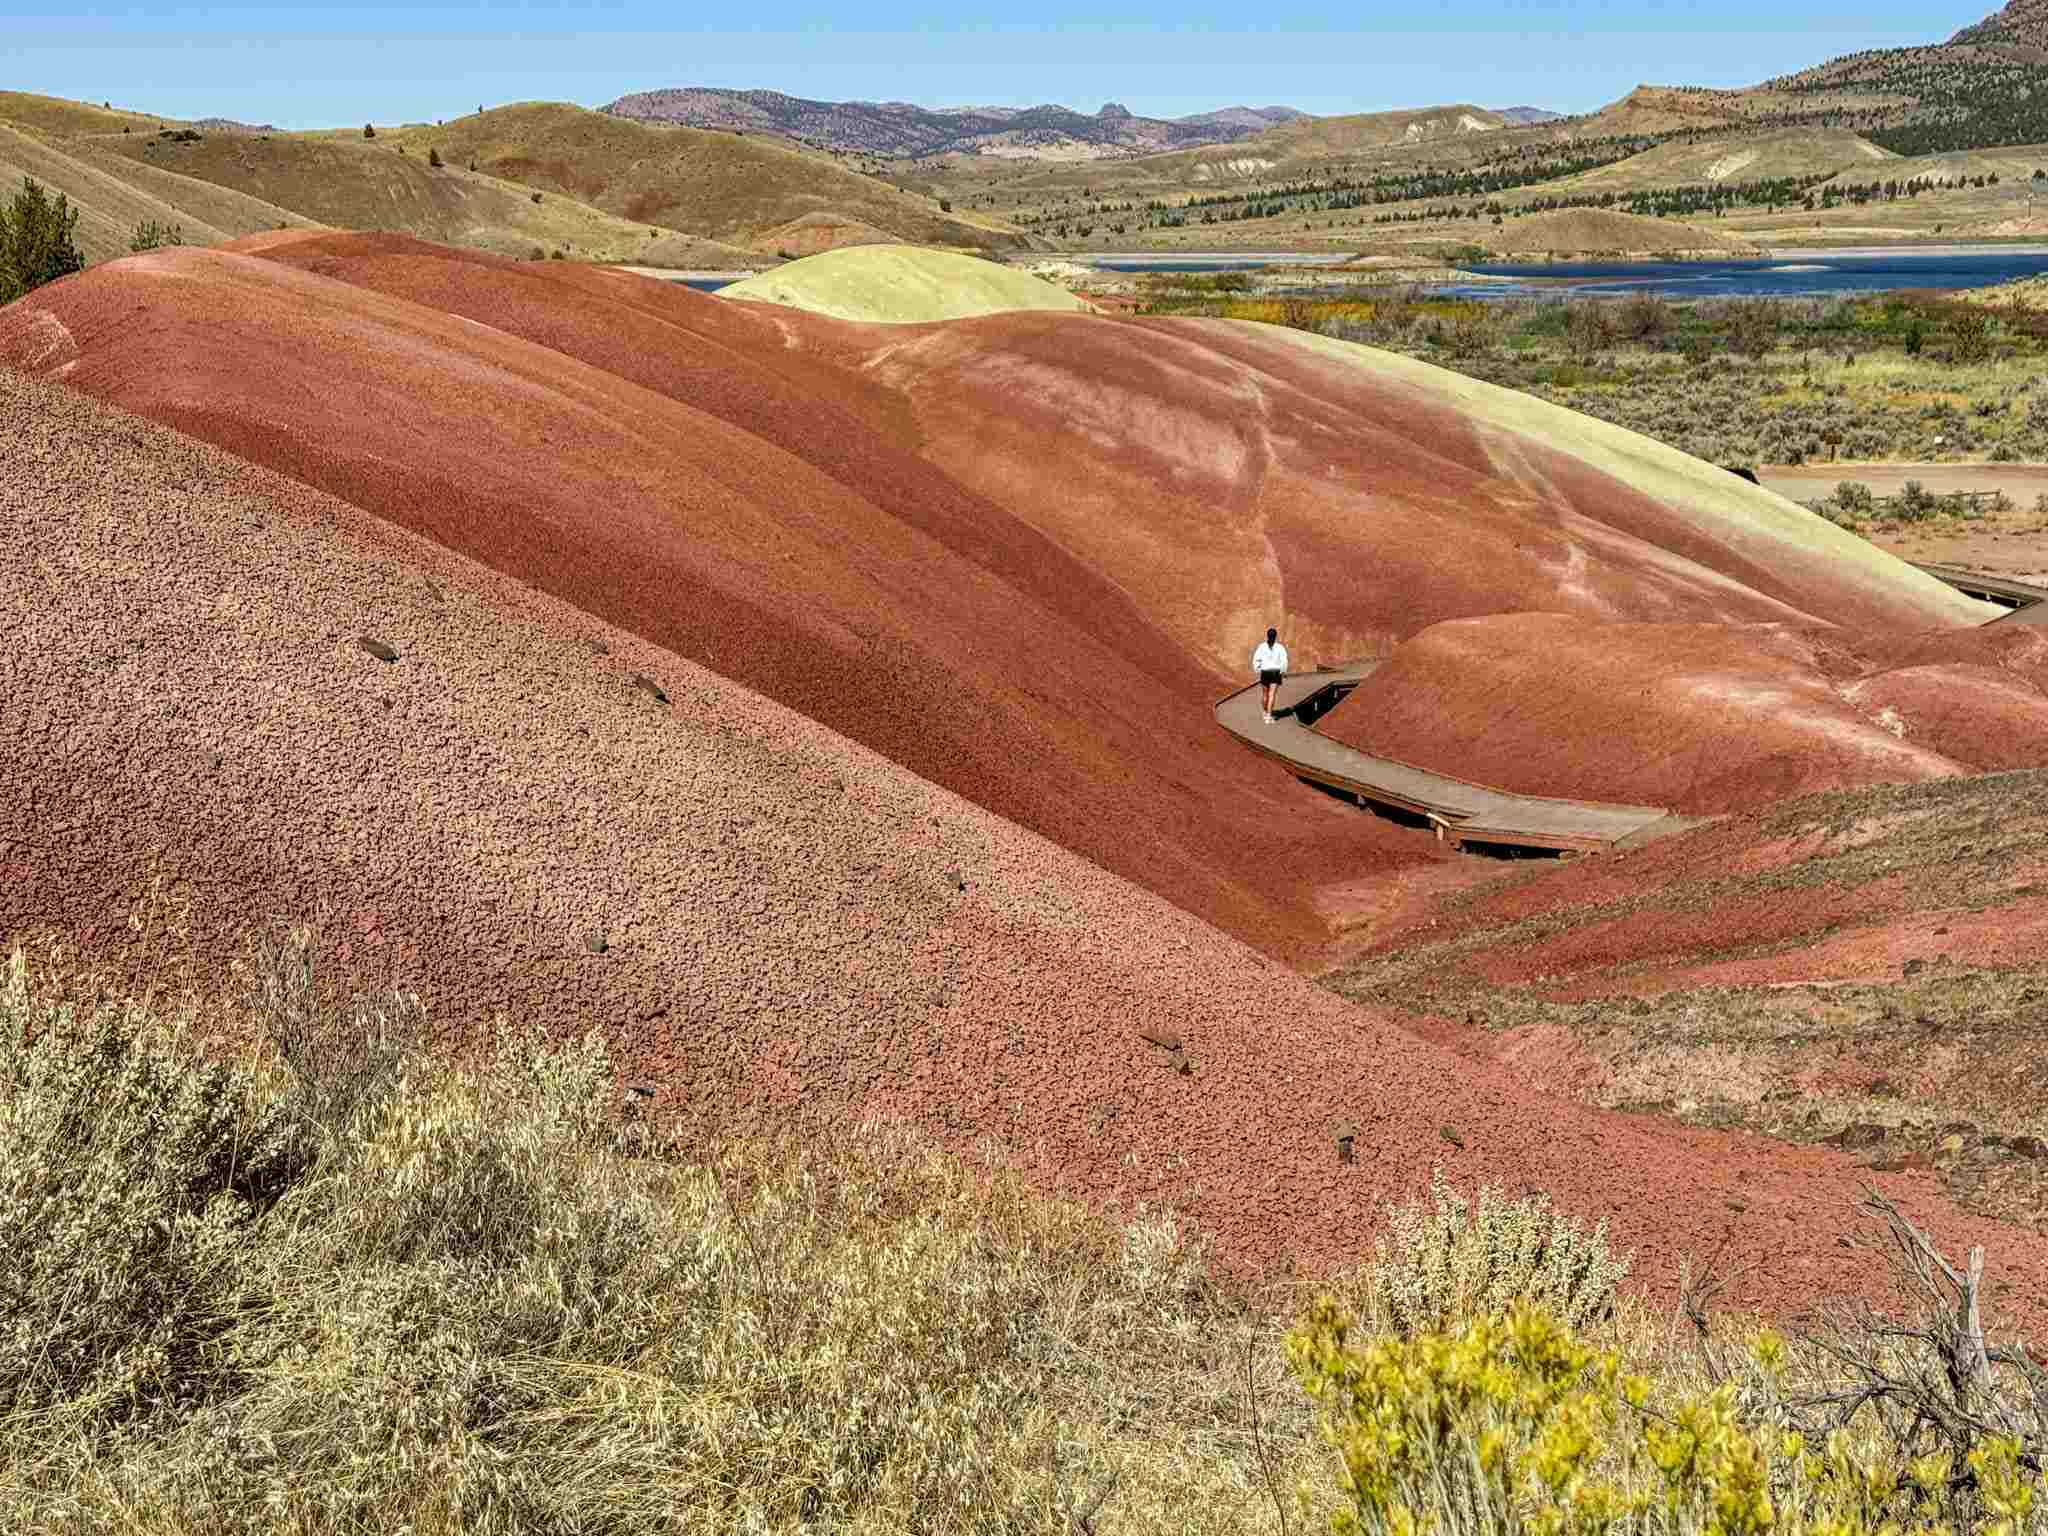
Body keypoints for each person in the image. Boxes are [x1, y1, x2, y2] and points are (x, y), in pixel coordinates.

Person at [1251, 626, 1288, 724]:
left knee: (1264, 694)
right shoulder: (1280, 647)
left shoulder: (1262, 646)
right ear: (1275, 636)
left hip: (1265, 672)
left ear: (1267, 636)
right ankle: (1268, 717)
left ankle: (1264, 712)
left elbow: (1256, 659)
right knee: (1271, 694)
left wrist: (1258, 669)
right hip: (1275, 673)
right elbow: (1284, 661)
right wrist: (1283, 671)